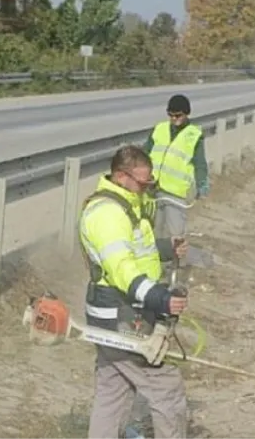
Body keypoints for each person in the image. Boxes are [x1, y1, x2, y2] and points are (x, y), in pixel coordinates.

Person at [78, 144, 191, 439]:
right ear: (120, 176)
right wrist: (160, 298)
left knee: (113, 391)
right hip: (121, 316)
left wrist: (166, 248)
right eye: (143, 183)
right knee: (165, 388)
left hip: (116, 313)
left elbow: (136, 249)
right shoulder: (107, 214)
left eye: (149, 183)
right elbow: (121, 268)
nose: (146, 189)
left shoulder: (129, 204)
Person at [143, 94, 210, 241]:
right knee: (153, 231)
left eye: (178, 115)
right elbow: (145, 154)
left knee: (176, 233)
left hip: (175, 193)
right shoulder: (159, 129)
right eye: (170, 115)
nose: (174, 119)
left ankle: (178, 262)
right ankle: (156, 261)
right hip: (153, 189)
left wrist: (202, 183)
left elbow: (200, 163)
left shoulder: (194, 135)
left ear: (186, 114)